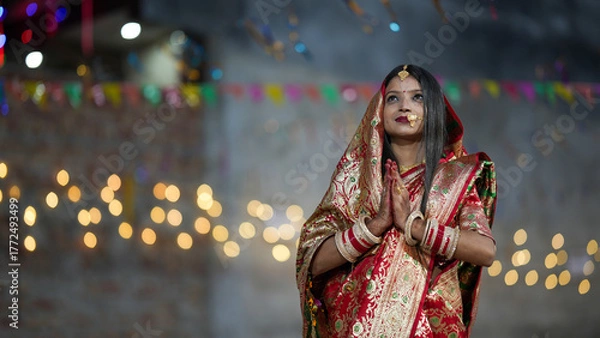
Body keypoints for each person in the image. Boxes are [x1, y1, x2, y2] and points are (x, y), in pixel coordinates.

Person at [296, 64, 497, 338]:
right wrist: (374, 226)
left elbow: (485, 251)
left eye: (417, 97)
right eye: (393, 98)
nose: (404, 106)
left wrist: (414, 227)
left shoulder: (453, 179)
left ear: (434, 111)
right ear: (378, 112)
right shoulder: (357, 180)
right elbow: (313, 262)